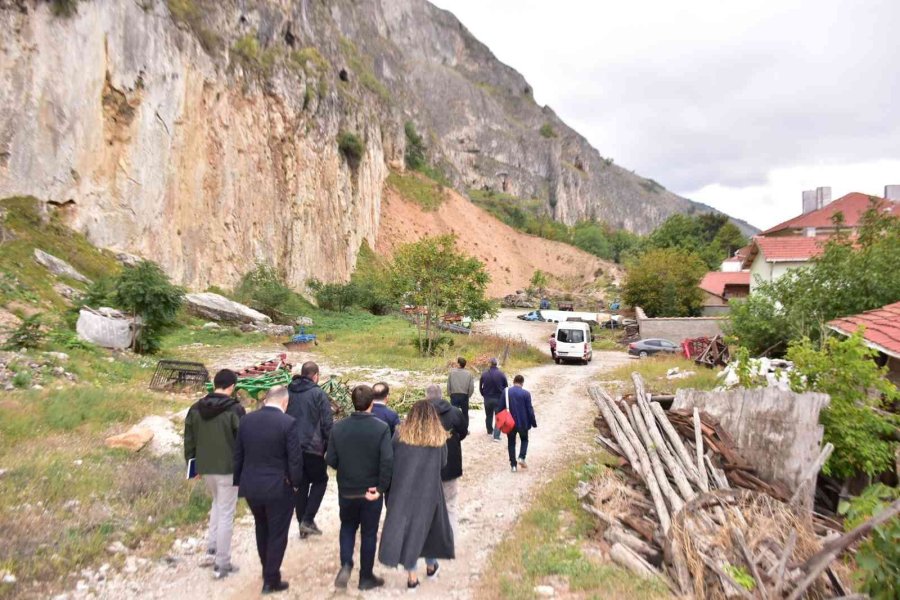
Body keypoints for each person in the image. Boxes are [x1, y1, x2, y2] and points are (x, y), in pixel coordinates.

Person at [232, 386, 303, 594]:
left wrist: (237, 481)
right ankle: (271, 579)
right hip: (278, 487)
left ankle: (267, 570)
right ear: (285, 402)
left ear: (266, 399)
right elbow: (294, 459)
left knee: (261, 527)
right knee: (277, 533)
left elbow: (238, 454)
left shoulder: (246, 420)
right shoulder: (288, 423)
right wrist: (296, 482)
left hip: (252, 486)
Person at [378, 401, 454, 591]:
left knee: (408, 531)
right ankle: (430, 566)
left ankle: (412, 578)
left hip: (403, 489)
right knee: (429, 529)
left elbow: (391, 460)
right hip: (429, 490)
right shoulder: (439, 437)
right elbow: (443, 463)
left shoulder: (399, 434)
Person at [326, 385, 393, 591]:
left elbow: (332, 460)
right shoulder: (381, 428)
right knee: (369, 533)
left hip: (347, 489)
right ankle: (365, 577)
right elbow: (387, 461)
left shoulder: (338, 427)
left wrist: (346, 469)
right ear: (371, 403)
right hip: (371, 490)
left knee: (347, 527)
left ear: (353, 402)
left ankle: (346, 563)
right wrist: (381, 488)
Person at [183, 368, 245, 578]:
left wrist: (192, 466)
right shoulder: (235, 410)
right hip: (228, 468)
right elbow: (242, 440)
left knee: (217, 505)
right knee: (227, 511)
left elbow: (189, 439)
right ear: (232, 386)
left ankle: (211, 550)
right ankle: (222, 563)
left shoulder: (195, 408)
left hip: (204, 467)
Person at [286, 361, 333, 539]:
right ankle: (307, 519)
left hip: (292, 447)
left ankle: (302, 526)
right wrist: (329, 446)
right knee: (321, 481)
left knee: (302, 484)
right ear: (315, 376)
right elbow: (327, 422)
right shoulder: (318, 393)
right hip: (313, 447)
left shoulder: (288, 391)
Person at [425, 384, 467, 539]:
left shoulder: (420, 416)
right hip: (451, 465)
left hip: (426, 468)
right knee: (450, 505)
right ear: (442, 396)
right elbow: (463, 432)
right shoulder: (455, 413)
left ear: (426, 397)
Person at [505, 375, 537, 472]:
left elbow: (500, 407)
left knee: (511, 443)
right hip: (523, 423)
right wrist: (533, 422)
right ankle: (521, 457)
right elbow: (530, 410)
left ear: (513, 381)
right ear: (522, 383)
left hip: (510, 423)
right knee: (524, 440)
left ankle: (513, 466)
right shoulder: (526, 394)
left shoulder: (506, 392)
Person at [478, 357, 508, 442]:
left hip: (487, 398)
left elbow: (480, 387)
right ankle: (496, 435)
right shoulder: (502, 374)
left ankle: (489, 431)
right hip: (498, 398)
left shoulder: (484, 374)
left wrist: (483, 395)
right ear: (497, 364)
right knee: (498, 417)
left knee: (488, 415)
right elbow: (506, 387)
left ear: (489, 364)